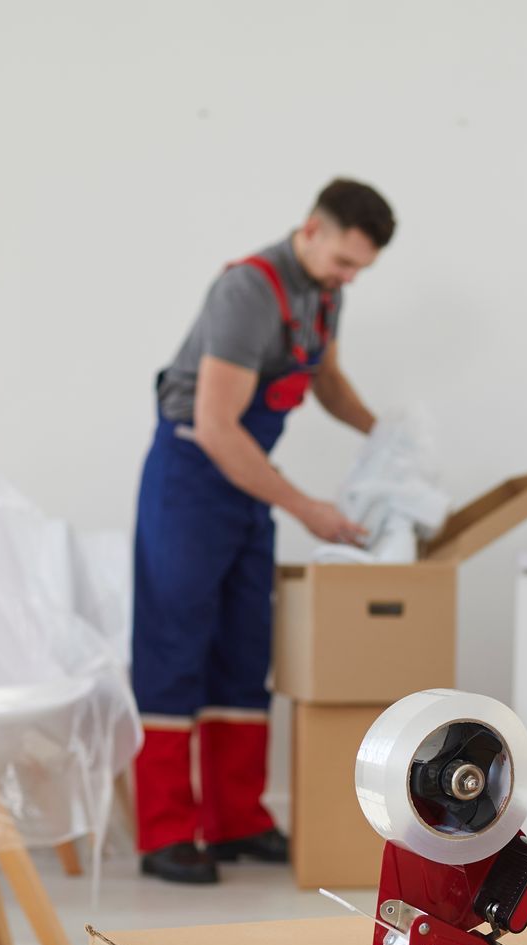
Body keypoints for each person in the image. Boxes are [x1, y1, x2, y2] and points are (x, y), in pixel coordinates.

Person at [132, 178, 393, 885]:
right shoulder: (248, 291)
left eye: (360, 269)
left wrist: (386, 434)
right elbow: (217, 426)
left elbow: (326, 379)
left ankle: (237, 818)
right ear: (311, 229)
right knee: (175, 645)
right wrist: (305, 507)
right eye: (344, 261)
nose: (349, 278)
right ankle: (164, 831)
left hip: (246, 480)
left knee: (245, 646)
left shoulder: (324, 293)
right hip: (193, 472)